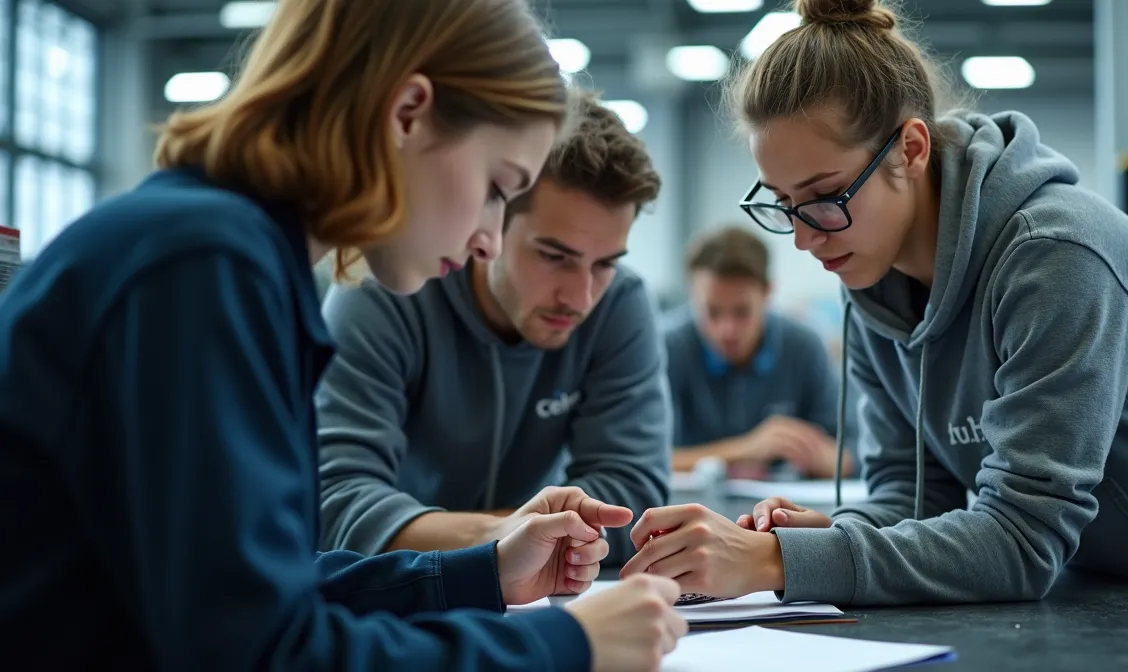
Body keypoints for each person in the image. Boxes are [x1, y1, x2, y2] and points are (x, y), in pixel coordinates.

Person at [0, 1, 688, 670]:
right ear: (407, 115)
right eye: (496, 187)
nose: (488, 238)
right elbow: (263, 651)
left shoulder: (227, 250)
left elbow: (264, 587)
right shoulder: (205, 266)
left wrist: (478, 574)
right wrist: (567, 646)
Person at [617, 0, 1128, 659]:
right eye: (785, 205)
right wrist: (823, 534)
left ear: (911, 150)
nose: (804, 239)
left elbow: (1020, 541)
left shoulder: (1057, 257)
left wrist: (773, 561)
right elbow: (915, 497)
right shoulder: (867, 280)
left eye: (825, 198)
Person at [316, 93, 669, 564]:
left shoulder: (621, 302)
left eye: (604, 264)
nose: (580, 297)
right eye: (554, 256)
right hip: (397, 591)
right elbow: (334, 501)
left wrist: (510, 540)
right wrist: (502, 537)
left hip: (534, 591)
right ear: (492, 217)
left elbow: (632, 501)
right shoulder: (382, 287)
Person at [663, 225, 853, 479]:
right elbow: (648, 460)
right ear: (691, 295)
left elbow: (853, 454)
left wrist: (821, 457)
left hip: (784, 511)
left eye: (742, 312)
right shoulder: (666, 348)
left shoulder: (805, 345)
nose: (726, 330)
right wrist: (748, 449)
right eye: (712, 311)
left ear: (767, 293)